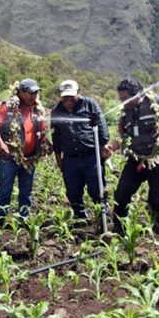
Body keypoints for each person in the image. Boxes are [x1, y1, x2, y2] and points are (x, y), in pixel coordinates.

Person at [108, 79, 159, 235]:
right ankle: (119, 227)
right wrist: (110, 146)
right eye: (121, 98)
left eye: (125, 98)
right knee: (122, 192)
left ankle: (155, 224)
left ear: (138, 94)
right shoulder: (125, 112)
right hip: (136, 158)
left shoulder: (158, 104)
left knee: (157, 195)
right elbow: (122, 136)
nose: (123, 102)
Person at [0, 79, 51, 223]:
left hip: (30, 158)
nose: (34, 96)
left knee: (26, 191)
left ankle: (23, 219)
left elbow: (41, 131)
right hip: (10, 158)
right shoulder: (9, 107)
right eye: (30, 93)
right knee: (5, 190)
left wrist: (46, 144)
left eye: (36, 93)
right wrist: (1, 144)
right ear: (21, 92)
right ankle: (0, 219)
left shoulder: (37, 109)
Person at [51, 80, 111, 221]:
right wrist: (58, 154)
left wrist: (104, 145)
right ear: (61, 96)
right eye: (65, 97)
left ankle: (102, 214)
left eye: (72, 96)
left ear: (78, 93)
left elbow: (101, 125)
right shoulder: (56, 111)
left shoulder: (90, 104)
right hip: (71, 158)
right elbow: (56, 134)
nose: (68, 100)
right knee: (73, 191)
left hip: (91, 155)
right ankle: (80, 217)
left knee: (96, 188)